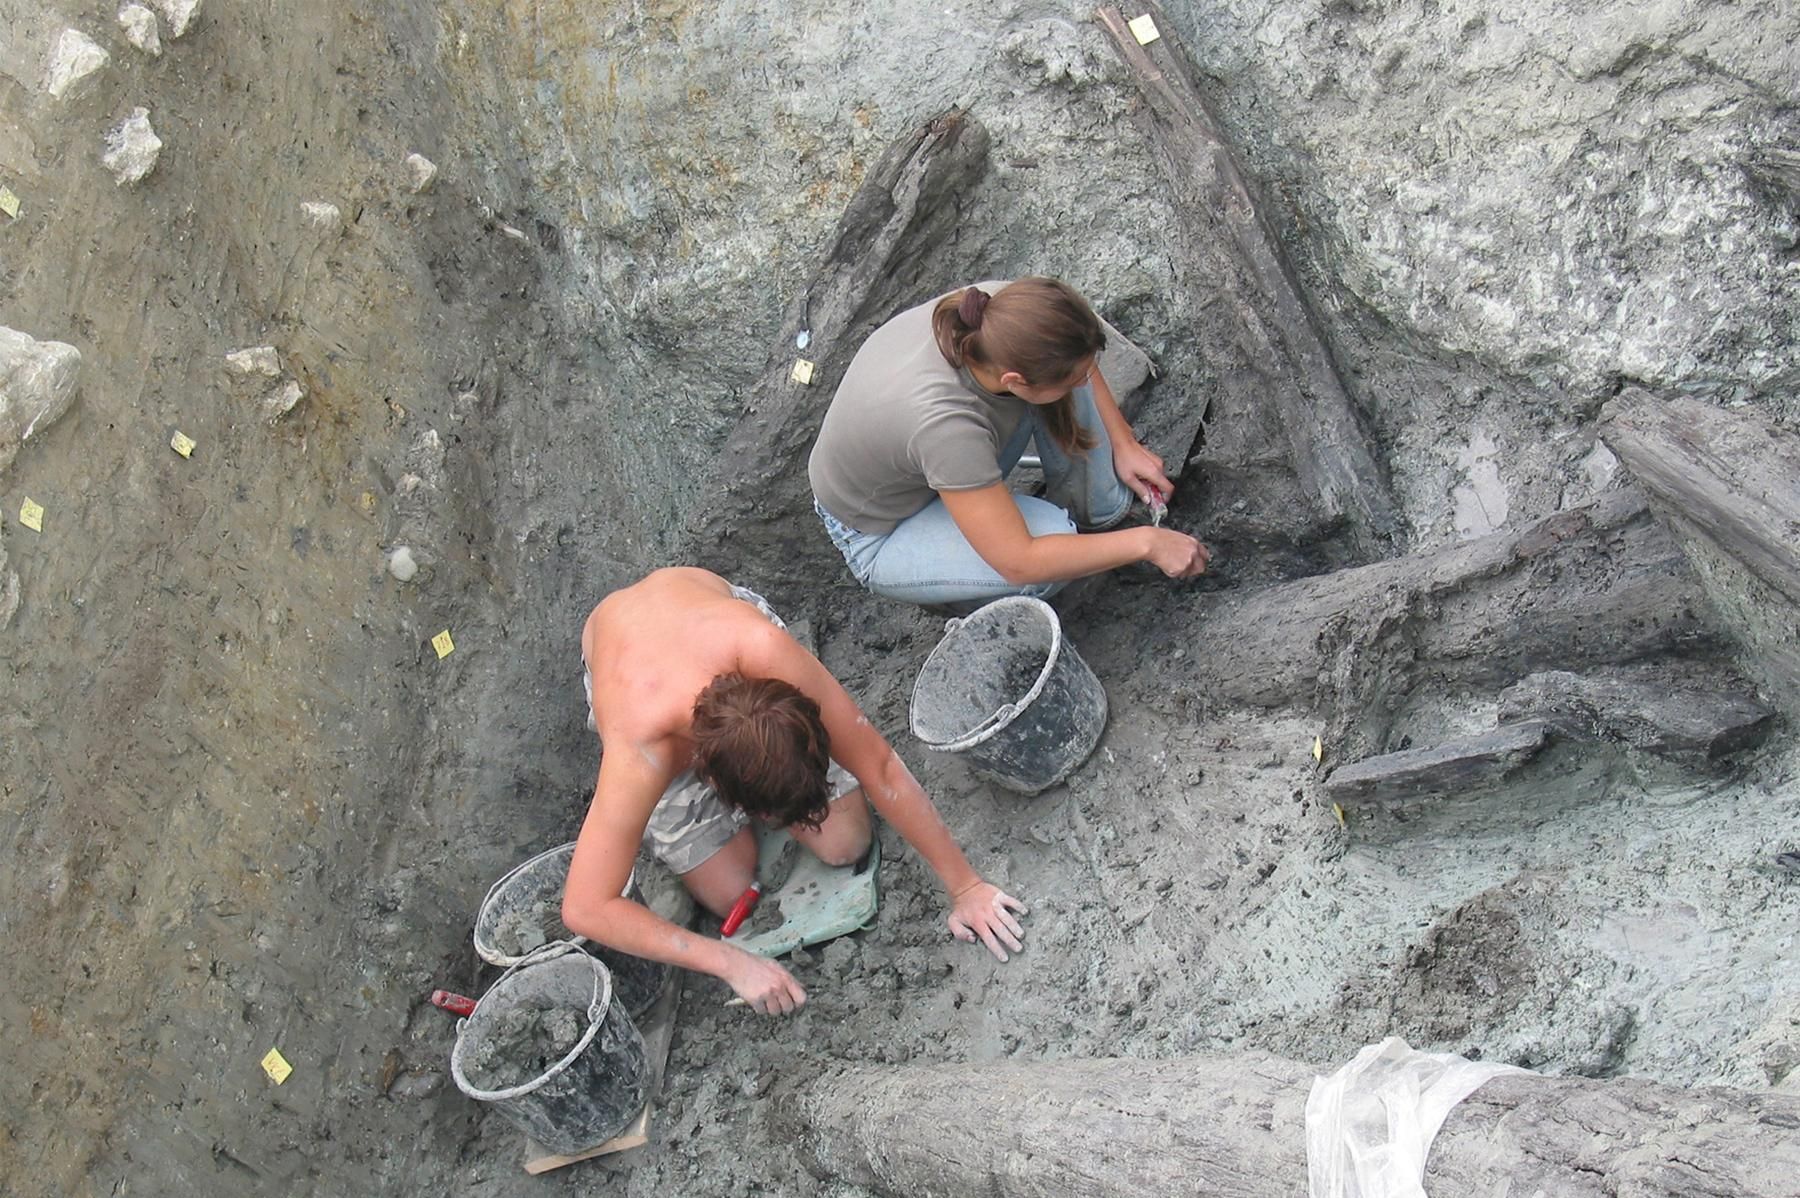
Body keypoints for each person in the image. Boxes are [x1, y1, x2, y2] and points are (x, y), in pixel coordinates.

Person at [561, 568, 1027, 1016]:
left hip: (710, 616)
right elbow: (585, 906)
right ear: (719, 788)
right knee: (729, 893)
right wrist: (731, 962)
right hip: (628, 667)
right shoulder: (640, 753)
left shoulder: (765, 650)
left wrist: (966, 886)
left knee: (845, 842)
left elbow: (880, 765)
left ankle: (779, 789)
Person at [808, 277, 1210, 607]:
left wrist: (1123, 443)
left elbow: (1078, 361)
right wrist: (1148, 542)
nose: (1084, 380)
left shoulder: (999, 312)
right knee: (1048, 559)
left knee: (1061, 364)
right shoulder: (946, 428)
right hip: (882, 529)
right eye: (1072, 380)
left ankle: (1098, 511)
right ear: (1014, 382)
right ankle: (964, 595)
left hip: (928, 463)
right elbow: (1020, 560)